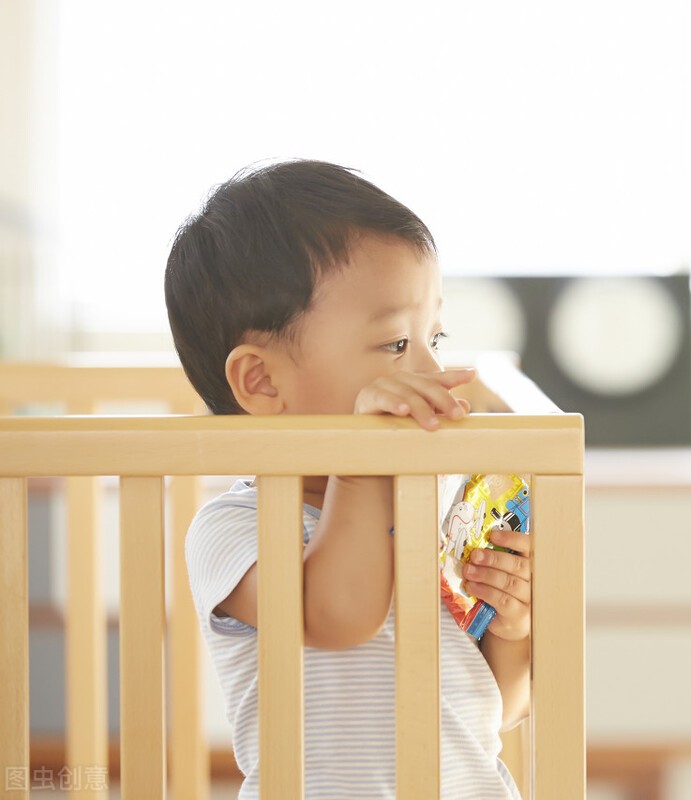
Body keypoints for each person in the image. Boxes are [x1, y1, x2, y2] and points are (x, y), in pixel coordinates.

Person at [164, 160, 530, 799]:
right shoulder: (233, 530)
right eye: (395, 345)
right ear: (262, 381)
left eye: (434, 337)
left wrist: (509, 629)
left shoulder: (433, 508)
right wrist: (361, 470)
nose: (427, 368)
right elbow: (336, 615)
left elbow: (493, 710)